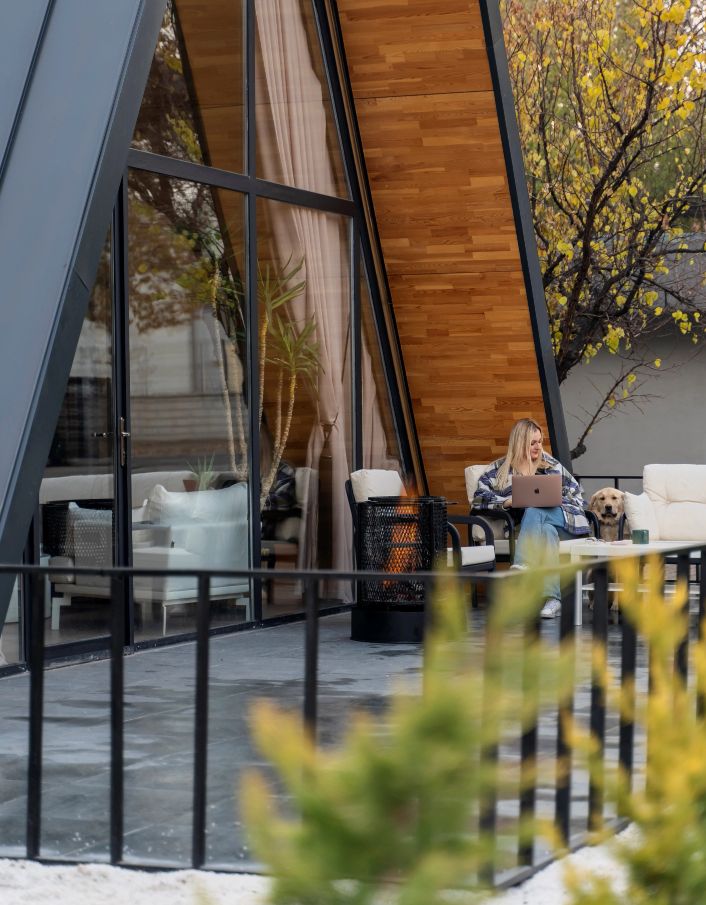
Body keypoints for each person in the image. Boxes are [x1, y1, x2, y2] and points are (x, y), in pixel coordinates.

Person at [473, 418, 588, 618]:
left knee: (536, 508)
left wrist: (555, 500)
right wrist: (506, 502)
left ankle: (522, 565)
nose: (538, 447)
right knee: (547, 532)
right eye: (532, 443)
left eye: (540, 442)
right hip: (538, 528)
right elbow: (478, 498)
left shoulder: (551, 465)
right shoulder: (498, 470)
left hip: (565, 521)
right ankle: (553, 600)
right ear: (519, 442)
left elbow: (577, 494)